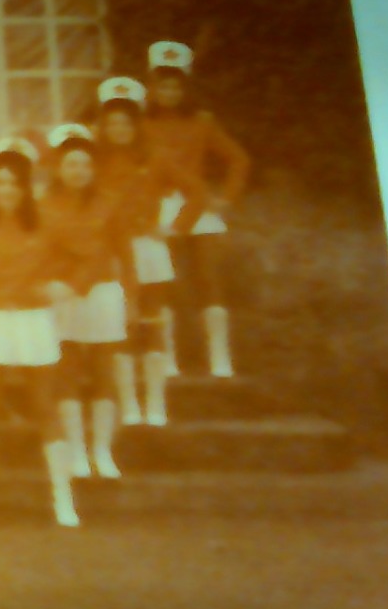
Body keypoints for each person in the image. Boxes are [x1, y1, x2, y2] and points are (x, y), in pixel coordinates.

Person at [0, 140, 78, 528]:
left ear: (26, 187)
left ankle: (63, 497)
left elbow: (86, 257)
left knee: (44, 404)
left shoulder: (46, 222)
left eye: (13, 184)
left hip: (33, 320)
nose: (6, 191)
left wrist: (64, 285)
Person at [94, 77, 207, 427]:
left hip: (147, 248)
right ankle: (128, 402)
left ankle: (156, 402)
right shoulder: (94, 162)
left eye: (125, 122)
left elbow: (198, 192)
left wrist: (174, 228)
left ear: (136, 125)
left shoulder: (155, 159)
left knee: (152, 321)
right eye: (112, 122)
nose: (119, 129)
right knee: (120, 322)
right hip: (111, 251)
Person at [142, 40, 251, 378]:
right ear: (152, 87)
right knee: (165, 282)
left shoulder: (203, 121)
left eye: (175, 85)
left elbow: (239, 159)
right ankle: (168, 358)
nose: (169, 92)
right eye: (163, 85)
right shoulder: (141, 124)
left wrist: (226, 198)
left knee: (208, 279)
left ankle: (219, 358)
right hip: (159, 207)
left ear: (184, 88)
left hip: (199, 205)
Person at [40, 124, 138, 481]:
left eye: (84, 165)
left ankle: (102, 450)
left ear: (92, 169)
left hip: (102, 293)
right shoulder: (44, 205)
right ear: (58, 169)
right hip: (61, 294)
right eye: (70, 165)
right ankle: (77, 450)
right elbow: (39, 252)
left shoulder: (108, 204)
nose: (78, 172)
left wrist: (132, 299)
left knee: (102, 371)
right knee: (67, 370)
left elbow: (122, 255)